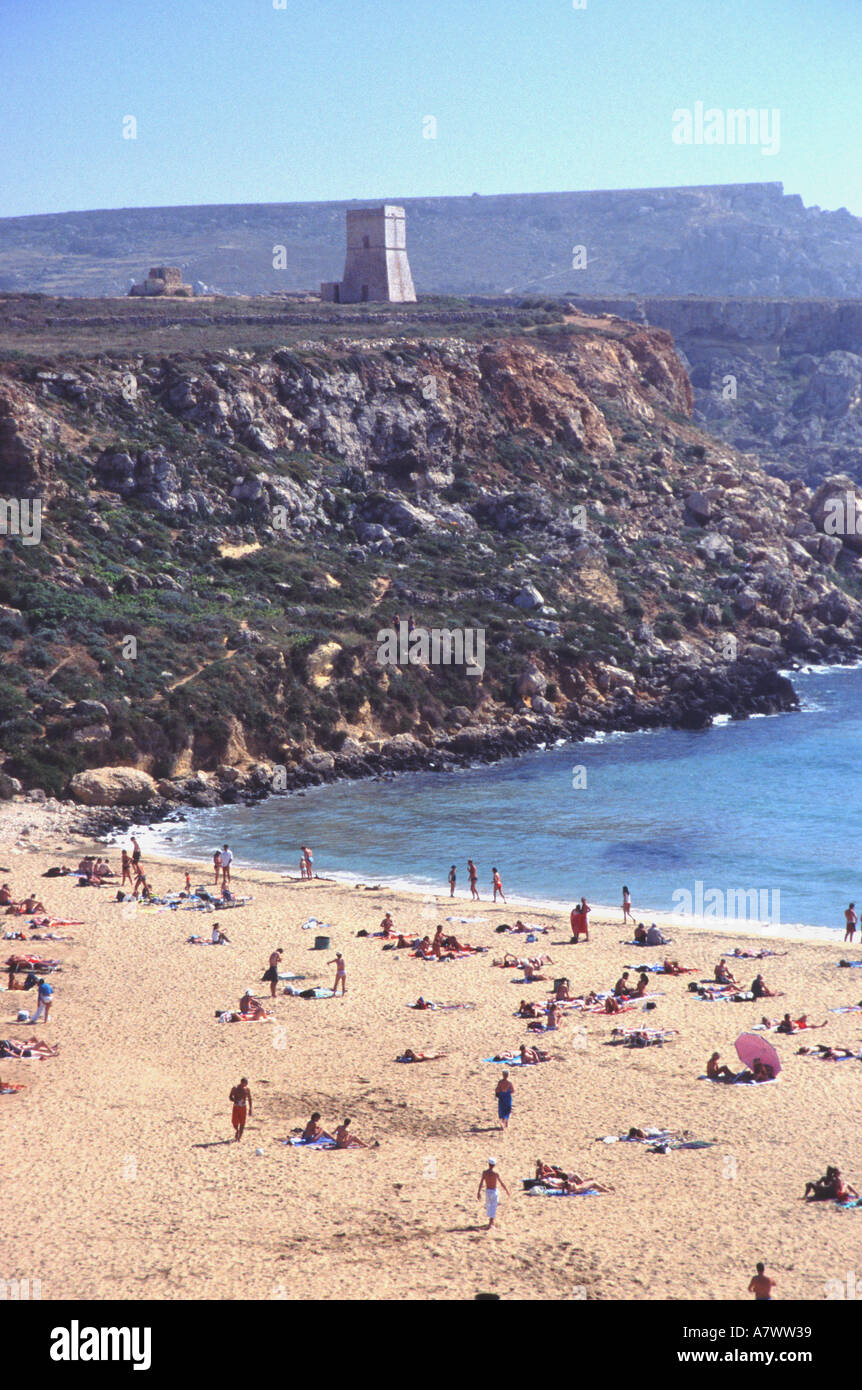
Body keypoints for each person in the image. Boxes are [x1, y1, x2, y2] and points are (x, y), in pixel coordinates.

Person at [478, 1158, 510, 1230]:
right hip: (493, 1191)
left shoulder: (484, 1172)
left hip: (487, 1191)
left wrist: (478, 1192)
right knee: (493, 1206)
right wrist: (506, 1190)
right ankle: (491, 1224)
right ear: (494, 1165)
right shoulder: (495, 1173)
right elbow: (501, 1183)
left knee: (489, 1206)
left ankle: (491, 1222)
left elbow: (481, 1183)